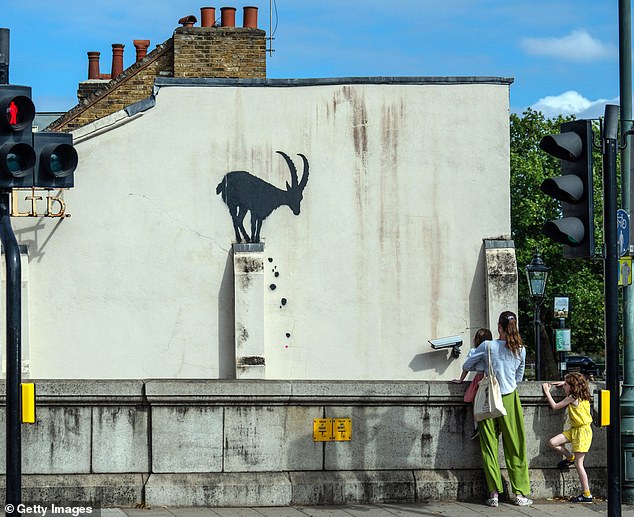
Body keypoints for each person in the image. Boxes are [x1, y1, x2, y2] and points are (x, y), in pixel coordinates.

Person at [462, 310, 532, 507]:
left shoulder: (487, 346)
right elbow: (518, 377)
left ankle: (493, 494)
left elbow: (468, 364)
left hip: (487, 399)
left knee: (489, 447)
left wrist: (484, 362)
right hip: (509, 398)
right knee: (515, 446)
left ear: (499, 328)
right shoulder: (520, 349)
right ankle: (519, 493)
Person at [542, 373, 593, 503]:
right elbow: (576, 383)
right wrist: (561, 383)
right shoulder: (582, 394)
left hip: (582, 432)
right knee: (552, 442)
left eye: (565, 385)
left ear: (572, 387)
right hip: (575, 430)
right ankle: (570, 457)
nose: (563, 386)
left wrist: (547, 391)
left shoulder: (572, 397)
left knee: (579, 464)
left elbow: (555, 406)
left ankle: (587, 494)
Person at [451, 328, 493, 439]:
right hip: (490, 378)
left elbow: (467, 367)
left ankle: (476, 426)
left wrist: (461, 380)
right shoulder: (492, 349)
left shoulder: (474, 351)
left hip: (479, 377)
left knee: (476, 403)